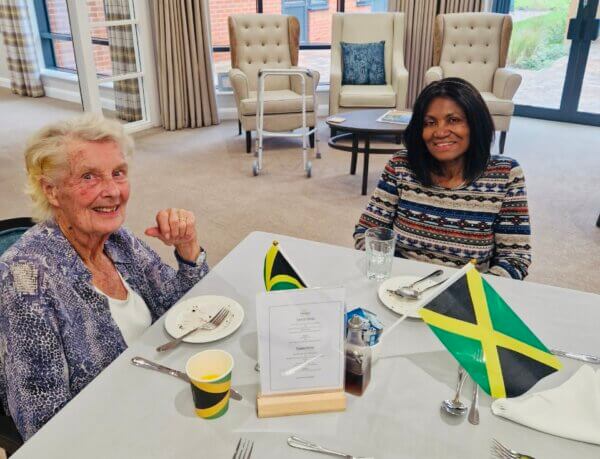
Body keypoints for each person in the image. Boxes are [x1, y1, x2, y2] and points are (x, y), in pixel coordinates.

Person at [0, 114, 209, 440]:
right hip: (114, 431)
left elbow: (186, 310)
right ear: (52, 191)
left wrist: (187, 249)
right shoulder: (27, 279)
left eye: (118, 173)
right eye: (89, 177)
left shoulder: (117, 240)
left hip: (162, 389)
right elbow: (42, 424)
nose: (112, 190)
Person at [354, 78, 531, 280]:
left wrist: (464, 295)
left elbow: (516, 259)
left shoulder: (505, 174)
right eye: (430, 123)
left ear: (475, 123)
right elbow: (367, 231)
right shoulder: (401, 165)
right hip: (398, 289)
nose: (440, 132)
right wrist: (397, 279)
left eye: (453, 120)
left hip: (466, 298)